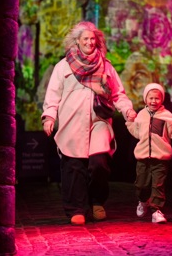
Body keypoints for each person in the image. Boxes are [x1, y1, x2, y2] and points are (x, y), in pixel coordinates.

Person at [41, 21, 137, 225]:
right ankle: (76, 208)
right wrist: (49, 117)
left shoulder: (106, 66)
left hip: (99, 121)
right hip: (72, 122)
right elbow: (53, 95)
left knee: (99, 163)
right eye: (85, 38)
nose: (90, 42)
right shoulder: (63, 66)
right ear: (77, 41)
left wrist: (127, 109)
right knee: (73, 166)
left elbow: (118, 93)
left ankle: (97, 202)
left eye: (93, 39)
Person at [126, 83, 172, 223]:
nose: (154, 101)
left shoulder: (167, 116)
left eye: (157, 98)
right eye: (151, 98)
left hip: (160, 158)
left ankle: (156, 210)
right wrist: (130, 122)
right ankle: (142, 201)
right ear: (145, 99)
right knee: (141, 185)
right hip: (142, 157)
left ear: (162, 99)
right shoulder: (141, 115)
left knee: (158, 185)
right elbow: (137, 133)